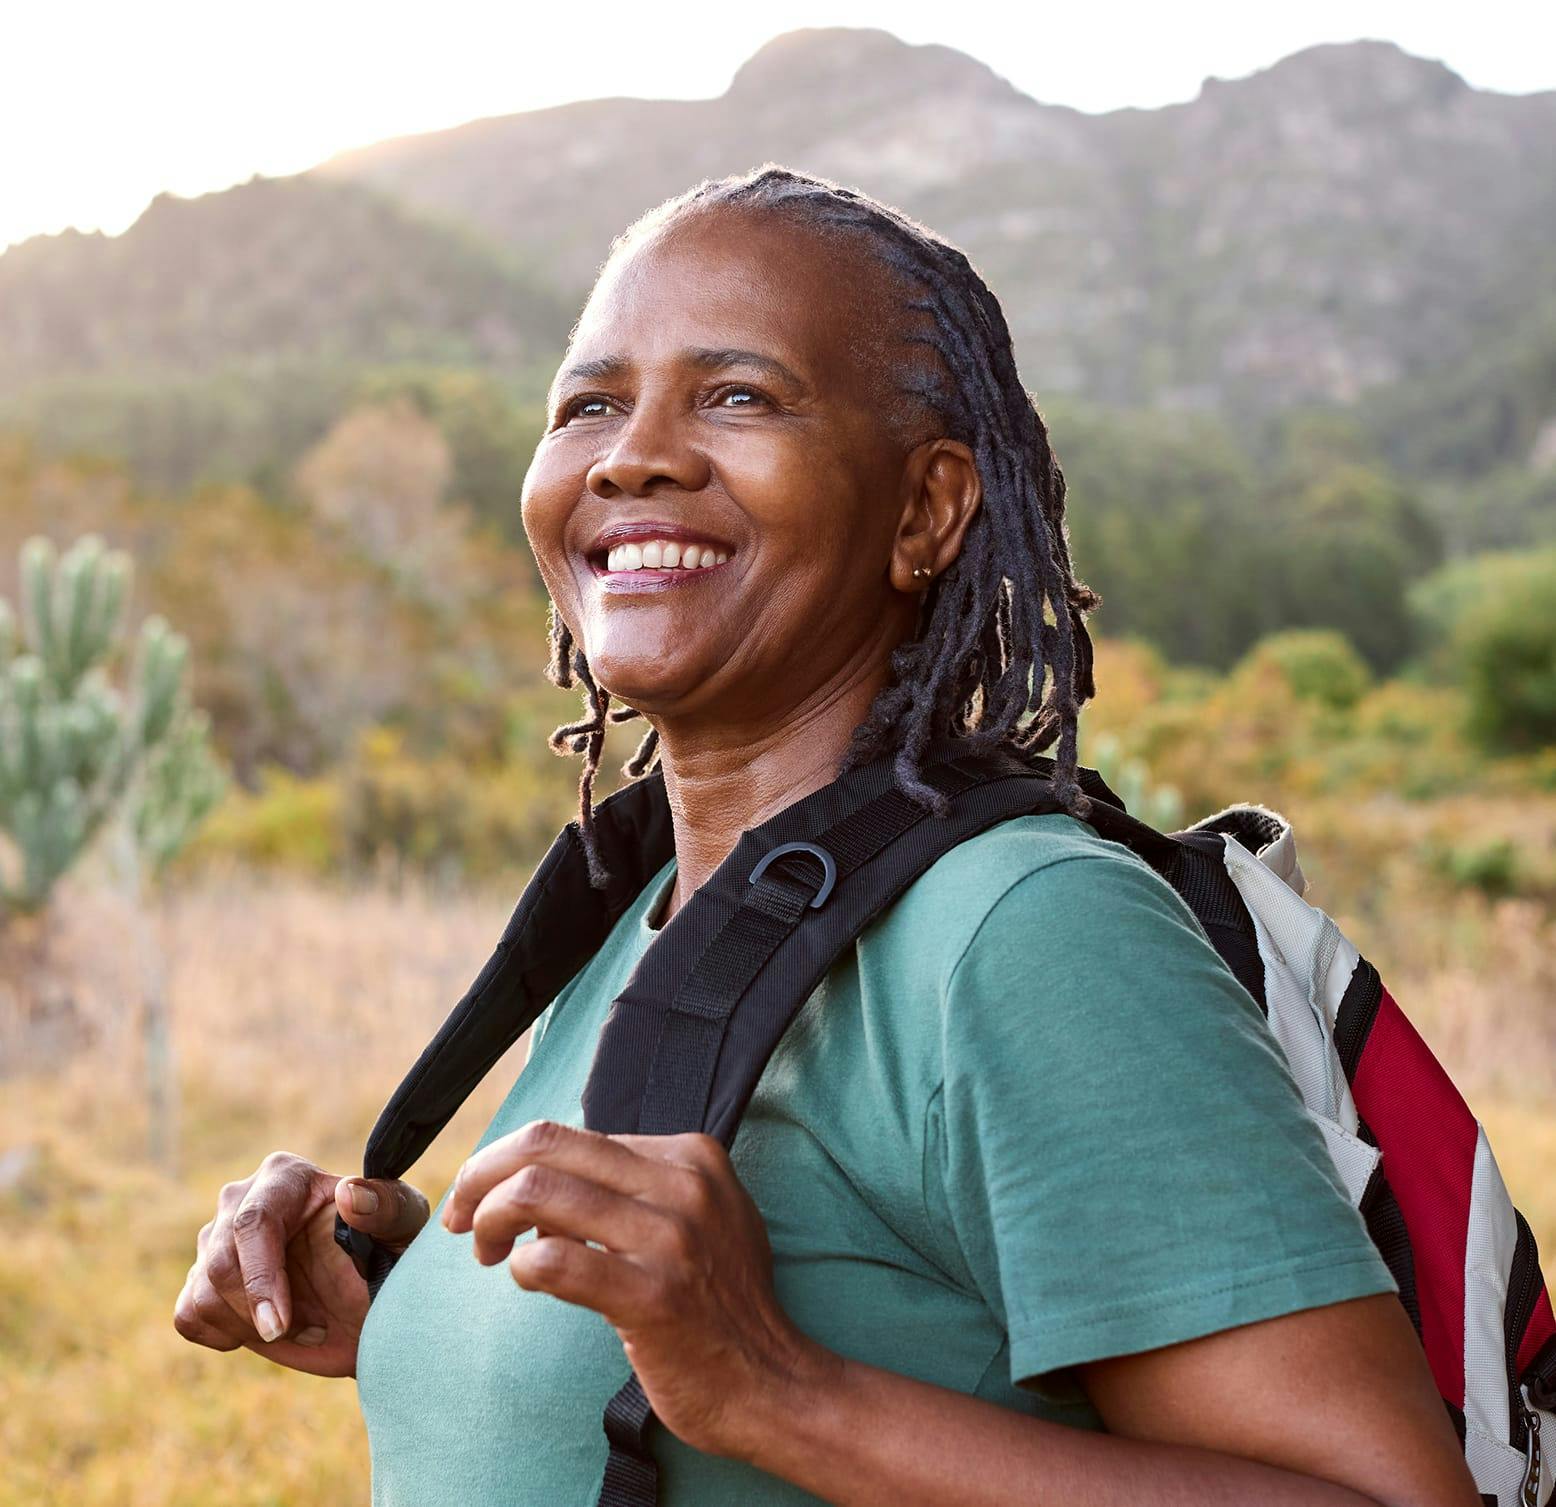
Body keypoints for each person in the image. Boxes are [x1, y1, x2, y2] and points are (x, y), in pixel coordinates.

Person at [175, 165, 1479, 1506]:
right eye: (590, 404)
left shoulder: (1024, 933)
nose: (634, 453)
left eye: (739, 396)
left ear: (925, 512)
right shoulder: (662, 918)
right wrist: (423, 1303)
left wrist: (776, 1390)